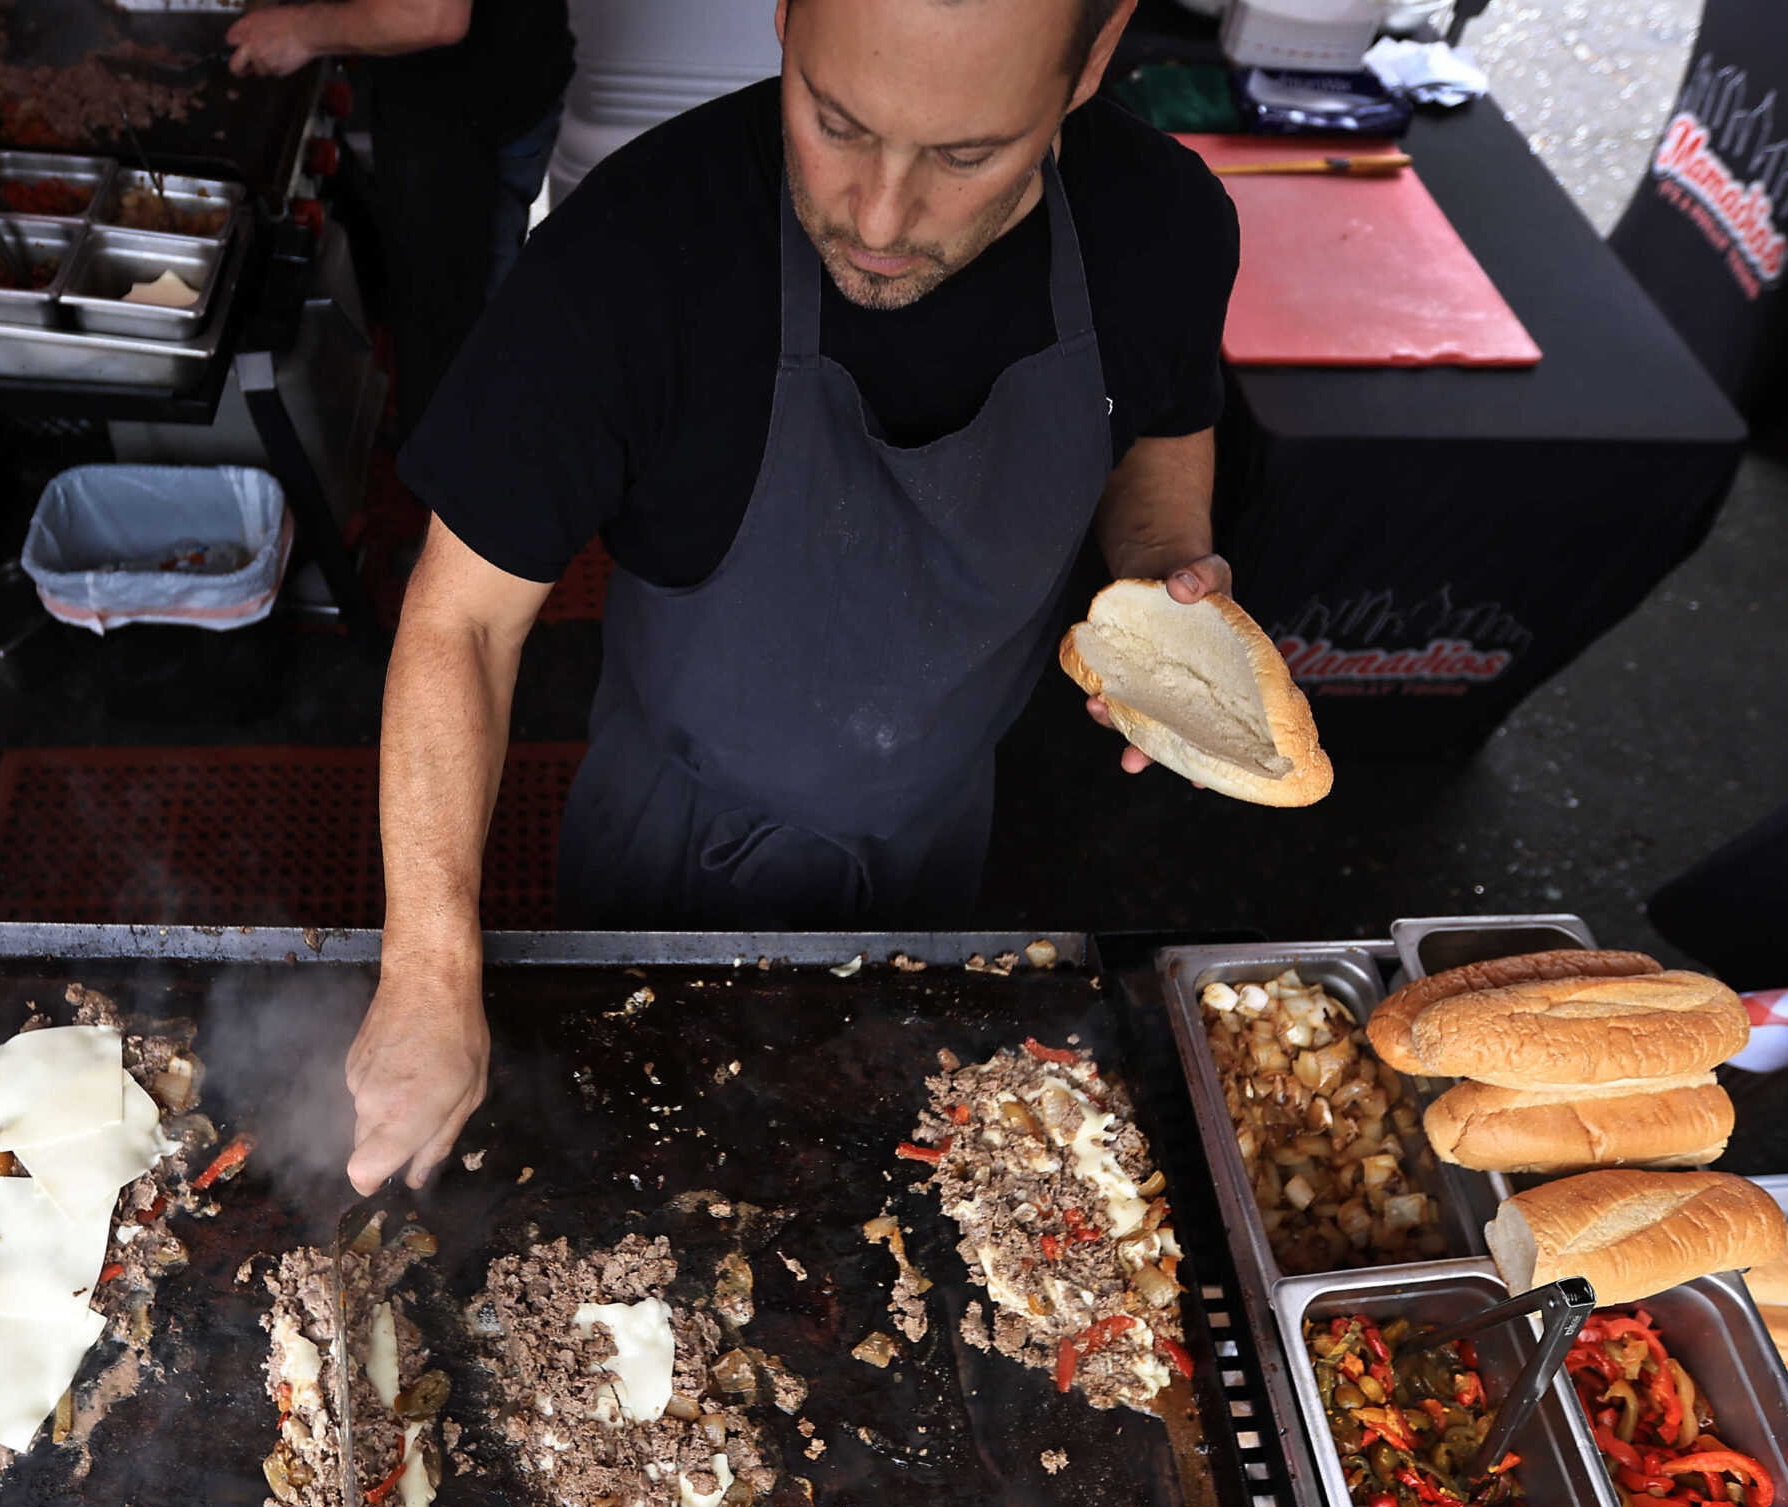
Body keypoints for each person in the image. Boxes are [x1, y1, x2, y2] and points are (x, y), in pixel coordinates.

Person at [344, 0, 1240, 1191]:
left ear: (1094, 57)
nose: (877, 216)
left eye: (965, 156)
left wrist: (1162, 578)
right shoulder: (635, 256)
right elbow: (460, 617)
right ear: (783, 13)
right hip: (667, 846)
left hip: (938, 829)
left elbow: (1165, 434)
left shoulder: (1161, 225)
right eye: (836, 123)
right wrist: (426, 972)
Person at [227, 0, 574, 437]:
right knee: (429, 311)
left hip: (472, 111)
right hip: (435, 98)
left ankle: (449, 484)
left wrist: (299, 31)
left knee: (458, 350)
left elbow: (432, 15)